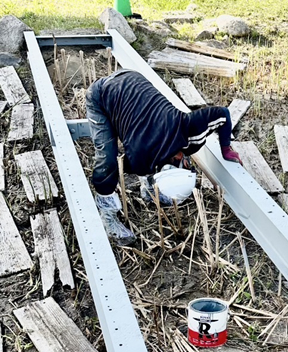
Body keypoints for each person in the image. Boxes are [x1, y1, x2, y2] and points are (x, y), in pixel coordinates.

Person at [85, 69, 241, 243]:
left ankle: (149, 191)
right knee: (107, 159)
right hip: (102, 93)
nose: (188, 162)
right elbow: (123, 165)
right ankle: (107, 216)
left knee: (143, 161)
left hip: (134, 80)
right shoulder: (140, 153)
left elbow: (224, 114)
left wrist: (226, 149)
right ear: (178, 158)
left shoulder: (189, 125)